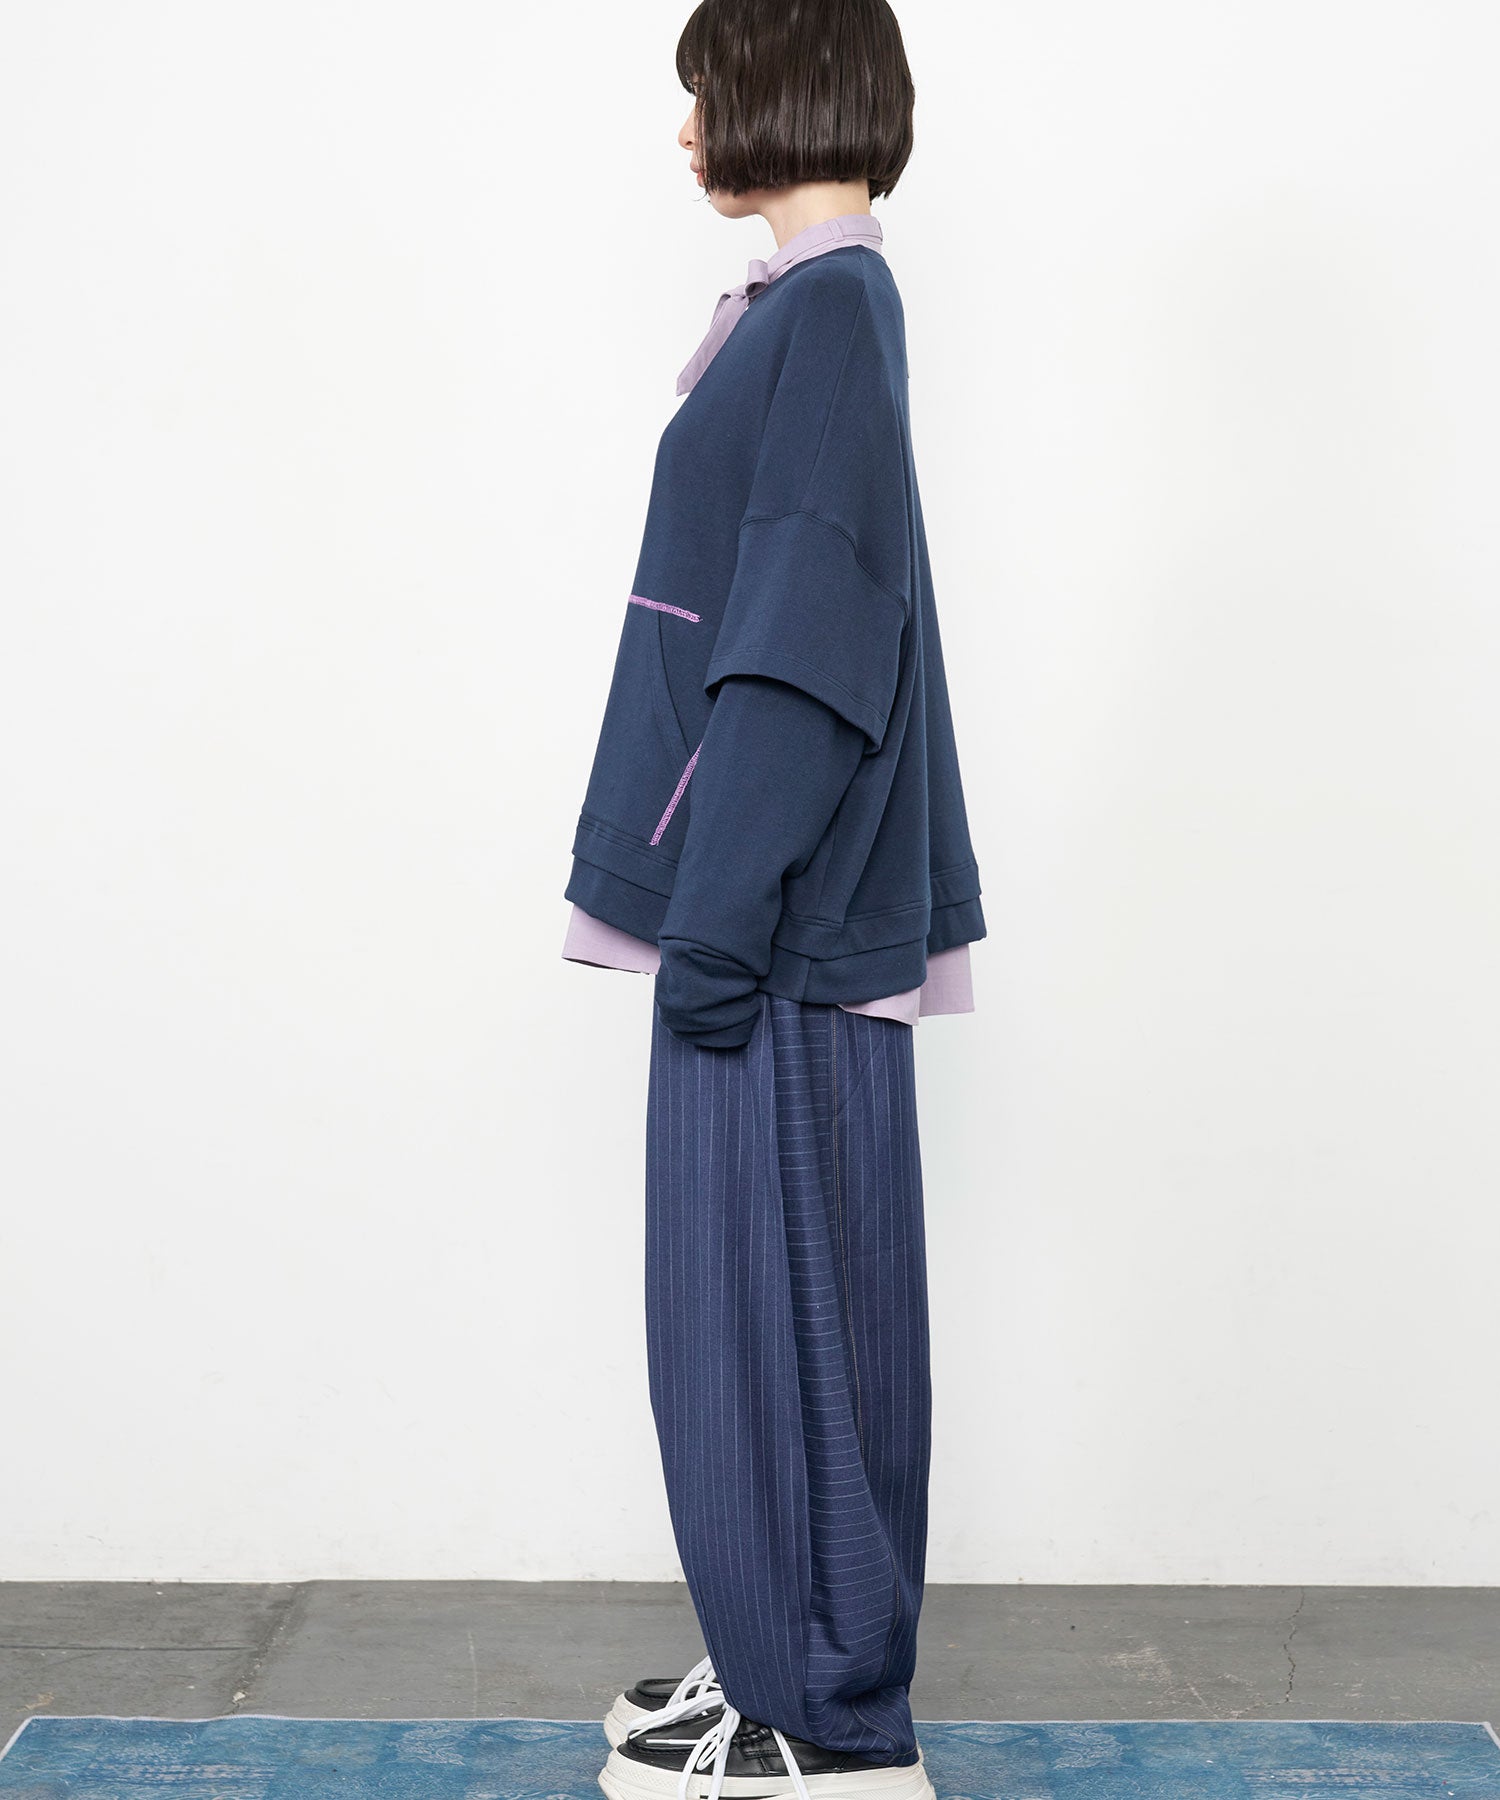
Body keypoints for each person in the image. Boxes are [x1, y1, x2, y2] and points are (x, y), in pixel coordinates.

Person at [560, 3, 985, 1796]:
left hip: (772, 930)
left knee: (772, 1325)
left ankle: (824, 1720)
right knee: (781, 1318)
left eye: (703, 96)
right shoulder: (822, 309)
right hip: (771, 915)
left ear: (781, 95)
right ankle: (791, 1670)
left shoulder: (827, 314)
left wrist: (719, 924)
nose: (685, 134)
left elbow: (804, 646)